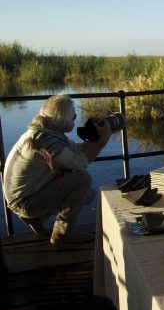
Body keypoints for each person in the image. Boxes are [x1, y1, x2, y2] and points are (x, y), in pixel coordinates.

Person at [2, 94, 112, 247]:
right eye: (72, 115)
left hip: (23, 196)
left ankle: (37, 219)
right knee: (82, 179)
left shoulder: (43, 132)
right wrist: (104, 139)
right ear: (63, 118)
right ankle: (63, 234)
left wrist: (99, 137)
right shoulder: (45, 140)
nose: (75, 118)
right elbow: (80, 163)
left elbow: (76, 150)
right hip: (24, 202)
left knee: (87, 194)